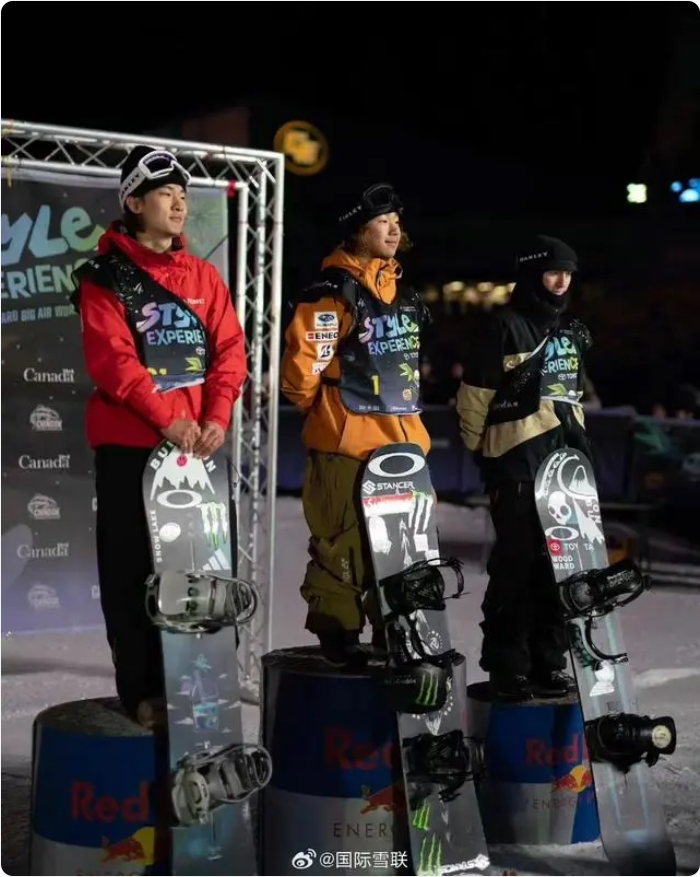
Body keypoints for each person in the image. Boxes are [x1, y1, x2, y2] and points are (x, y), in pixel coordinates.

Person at [71, 146, 248, 728]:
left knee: (200, 571)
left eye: (182, 192)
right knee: (133, 574)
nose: (178, 201)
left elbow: (230, 353)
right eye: (164, 191)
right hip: (133, 447)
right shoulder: (104, 278)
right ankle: (144, 692)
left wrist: (216, 416)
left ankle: (205, 681)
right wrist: (166, 419)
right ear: (133, 202)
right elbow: (114, 362)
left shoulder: (203, 276)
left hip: (197, 447)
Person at [280, 183, 431, 668]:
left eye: (397, 221)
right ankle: (338, 633)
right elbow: (301, 372)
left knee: (402, 546)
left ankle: (396, 628)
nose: (394, 229)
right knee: (343, 545)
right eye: (382, 222)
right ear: (357, 230)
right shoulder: (333, 293)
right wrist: (328, 415)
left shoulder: (402, 294)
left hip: (404, 445)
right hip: (347, 445)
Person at [456, 235, 593, 702]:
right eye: (553, 272)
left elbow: (573, 395)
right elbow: (474, 397)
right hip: (515, 464)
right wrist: (482, 449)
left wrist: (580, 449)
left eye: (568, 273)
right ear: (532, 274)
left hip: (564, 468)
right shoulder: (504, 326)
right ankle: (508, 666)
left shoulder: (572, 329)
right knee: (515, 568)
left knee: (560, 568)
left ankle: (548, 663)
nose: (560, 281)